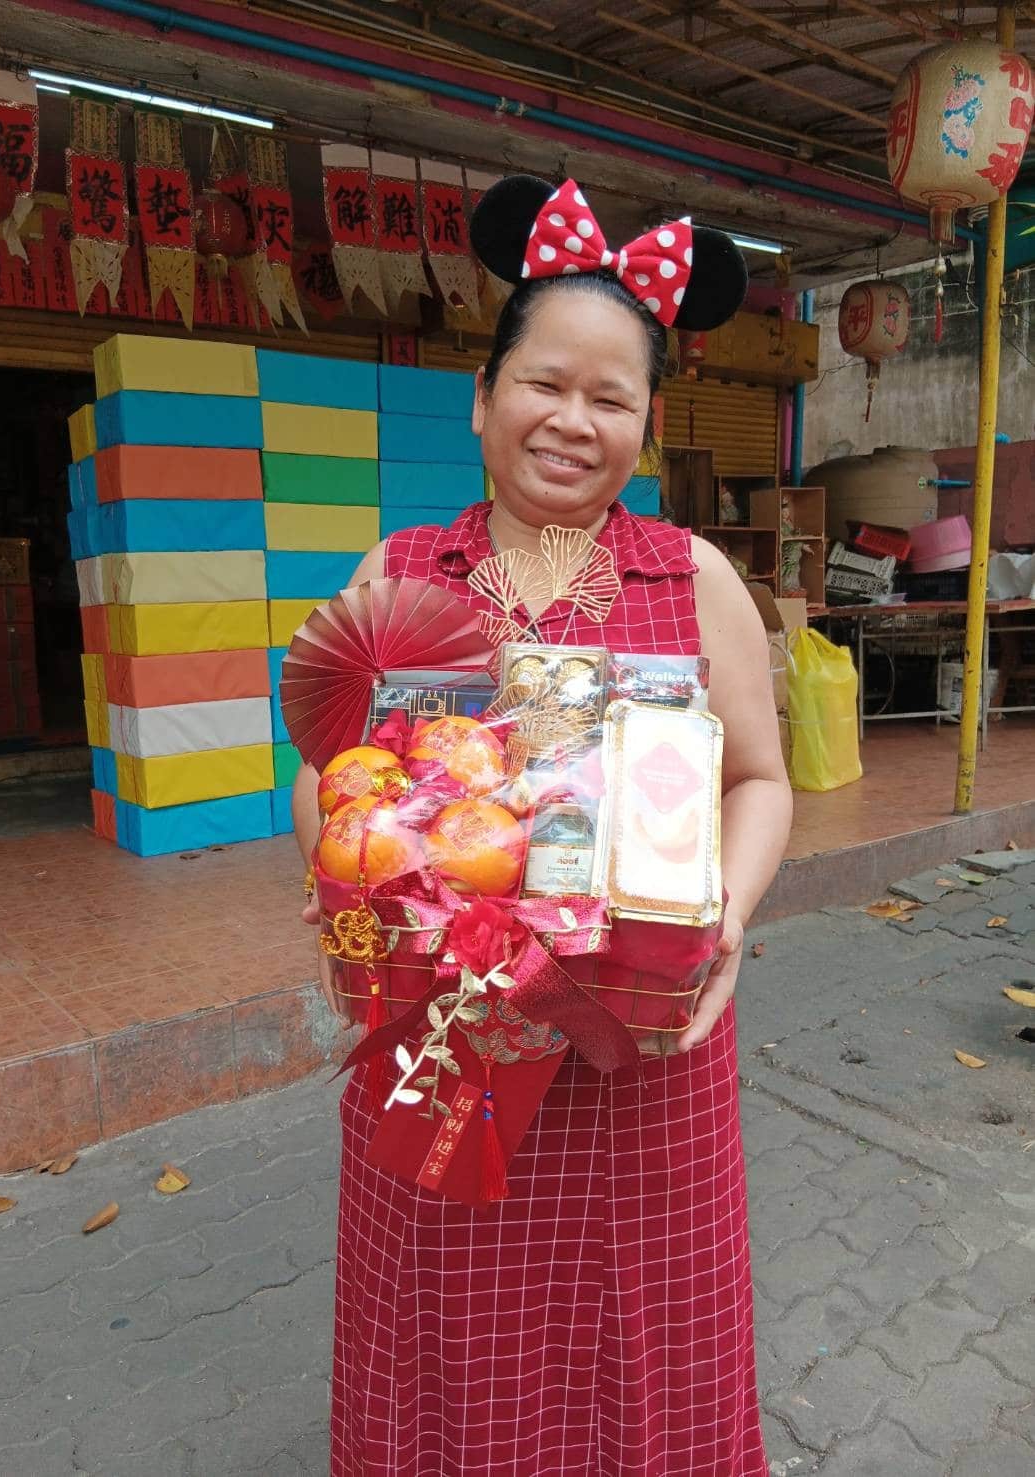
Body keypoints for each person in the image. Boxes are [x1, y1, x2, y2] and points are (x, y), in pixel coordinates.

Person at [292, 174, 793, 1477]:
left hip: (646, 1067)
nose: (573, 420)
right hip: (451, 1055)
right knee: (453, 1341)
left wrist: (727, 915)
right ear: (482, 396)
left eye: (610, 396)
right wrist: (365, 880)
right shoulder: (400, 579)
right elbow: (326, 774)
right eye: (543, 383)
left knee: (645, 1340)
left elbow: (760, 781)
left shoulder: (698, 581)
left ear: (650, 422)